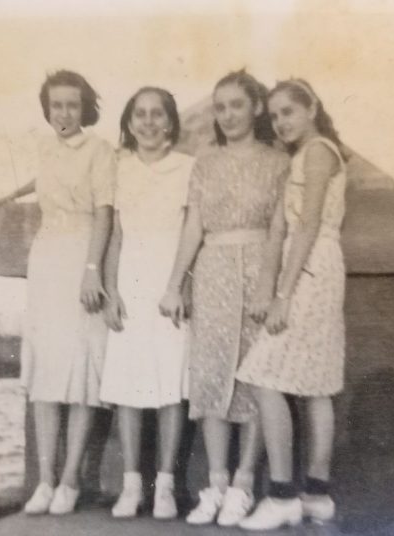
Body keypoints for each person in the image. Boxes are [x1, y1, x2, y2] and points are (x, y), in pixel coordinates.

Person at [159, 70, 290, 527]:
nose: (228, 115)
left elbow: (279, 228)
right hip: (212, 270)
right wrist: (175, 283)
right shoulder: (205, 162)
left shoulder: (277, 162)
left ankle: (244, 484)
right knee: (211, 374)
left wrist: (267, 284)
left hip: (257, 266)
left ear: (256, 107)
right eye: (220, 107)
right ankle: (215, 484)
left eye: (237, 104)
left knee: (256, 378)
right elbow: (193, 226)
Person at [0, 70, 116, 515]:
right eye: (56, 105)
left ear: (85, 109)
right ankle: (45, 480)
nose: (63, 113)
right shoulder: (46, 147)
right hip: (46, 261)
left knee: (80, 374)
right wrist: (8, 194)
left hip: (81, 260)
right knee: (46, 374)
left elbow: (104, 212)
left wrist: (92, 271)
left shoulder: (100, 150)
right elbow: (42, 181)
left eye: (72, 105)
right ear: (47, 109)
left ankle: (70, 481)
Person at [236, 79, 347, 531]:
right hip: (315, 265)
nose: (281, 122)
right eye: (275, 115)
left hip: (311, 267)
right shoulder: (301, 155)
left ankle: (282, 494)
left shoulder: (319, 151)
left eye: (288, 112)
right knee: (316, 385)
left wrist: (282, 295)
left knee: (263, 375)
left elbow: (309, 225)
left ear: (312, 107)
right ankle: (316, 495)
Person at [99, 87, 195, 519]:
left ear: (171, 122)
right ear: (130, 121)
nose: (149, 122)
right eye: (140, 114)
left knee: (171, 387)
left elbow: (195, 234)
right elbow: (116, 236)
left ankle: (166, 488)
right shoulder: (120, 169)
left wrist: (181, 284)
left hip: (169, 284)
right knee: (128, 388)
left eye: (158, 114)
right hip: (130, 284)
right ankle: (132, 485)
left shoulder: (188, 169)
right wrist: (110, 290)